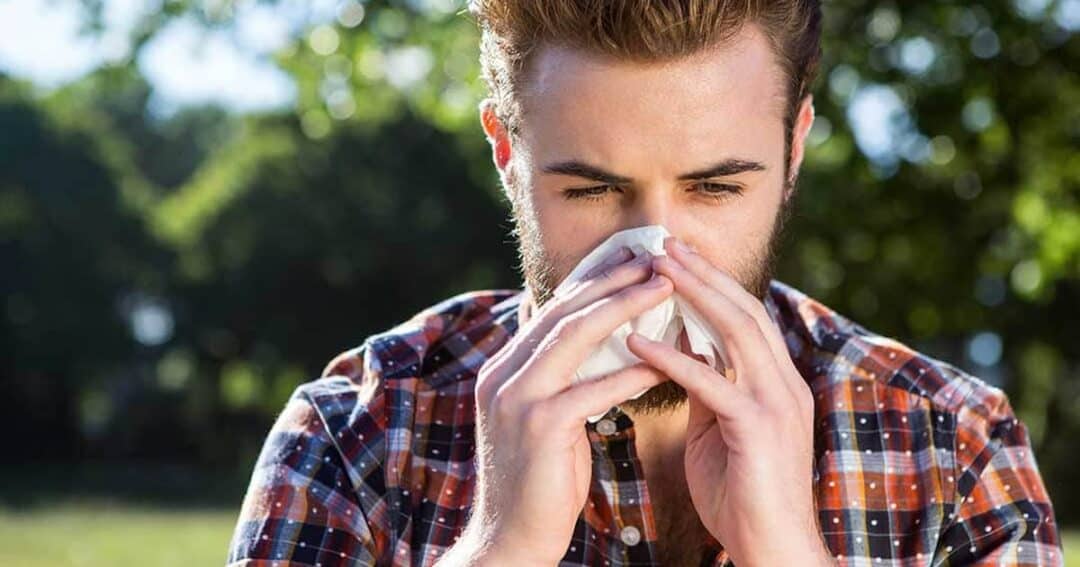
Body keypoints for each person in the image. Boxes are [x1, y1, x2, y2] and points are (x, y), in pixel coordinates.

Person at [226, 1, 1063, 565]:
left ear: (795, 149)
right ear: (508, 153)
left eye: (716, 187)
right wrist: (497, 545)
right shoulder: (355, 435)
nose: (654, 254)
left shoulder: (951, 446)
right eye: (591, 189)